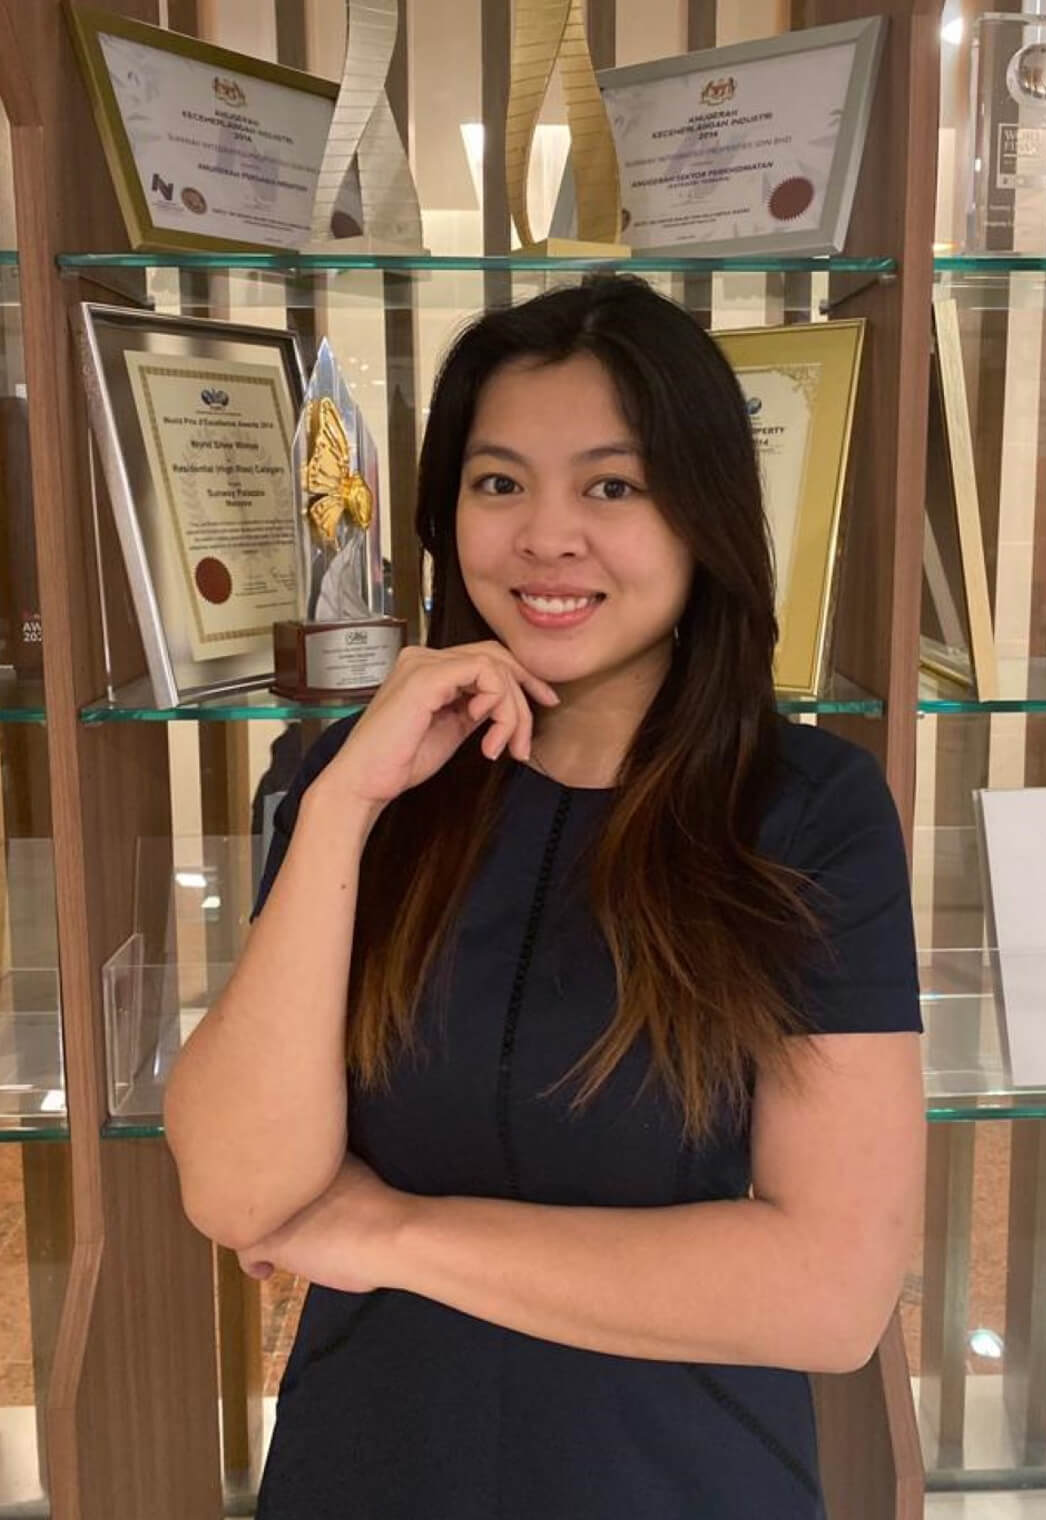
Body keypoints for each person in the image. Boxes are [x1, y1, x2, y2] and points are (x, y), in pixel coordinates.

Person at [164, 274, 925, 1520]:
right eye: (499, 481)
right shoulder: (348, 782)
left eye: (612, 486)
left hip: (676, 1472)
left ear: (704, 515)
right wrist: (348, 799)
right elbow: (241, 1192)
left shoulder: (804, 810)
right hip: (368, 1459)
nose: (545, 537)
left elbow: (829, 1289)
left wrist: (393, 1234)